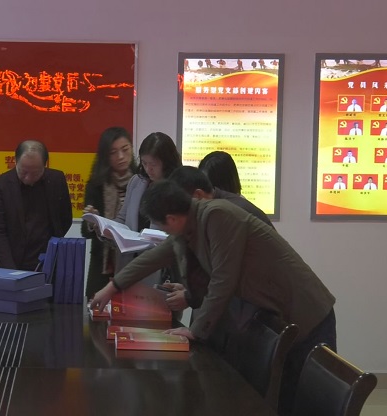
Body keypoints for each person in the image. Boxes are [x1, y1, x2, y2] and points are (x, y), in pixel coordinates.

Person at [91, 180, 336, 416]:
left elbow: (223, 280)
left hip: (305, 312)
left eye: (163, 227)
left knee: (309, 403)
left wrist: (195, 330)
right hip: (281, 314)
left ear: (172, 219)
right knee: (285, 401)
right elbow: (154, 258)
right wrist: (112, 287)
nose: (165, 233)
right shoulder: (191, 225)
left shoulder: (218, 215)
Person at [0, 140, 73, 271]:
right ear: (15, 161)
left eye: (35, 173)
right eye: (23, 172)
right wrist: (10, 271)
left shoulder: (56, 180)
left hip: (49, 262)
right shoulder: (0, 185)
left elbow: (65, 218)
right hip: (13, 263)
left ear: (45, 165)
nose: (28, 178)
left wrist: (53, 248)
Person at [113, 132, 182, 276]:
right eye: (144, 163)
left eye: (153, 164)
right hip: (130, 261)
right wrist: (107, 227)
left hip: (160, 264)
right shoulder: (136, 181)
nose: (148, 169)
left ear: (166, 162)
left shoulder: (178, 186)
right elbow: (123, 218)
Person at [82, 127, 137, 299]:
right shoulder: (96, 185)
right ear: (105, 156)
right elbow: (85, 232)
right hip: (103, 265)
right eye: (113, 152)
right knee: (96, 311)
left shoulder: (141, 181)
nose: (120, 156)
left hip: (135, 263)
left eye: (125, 149)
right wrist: (93, 221)